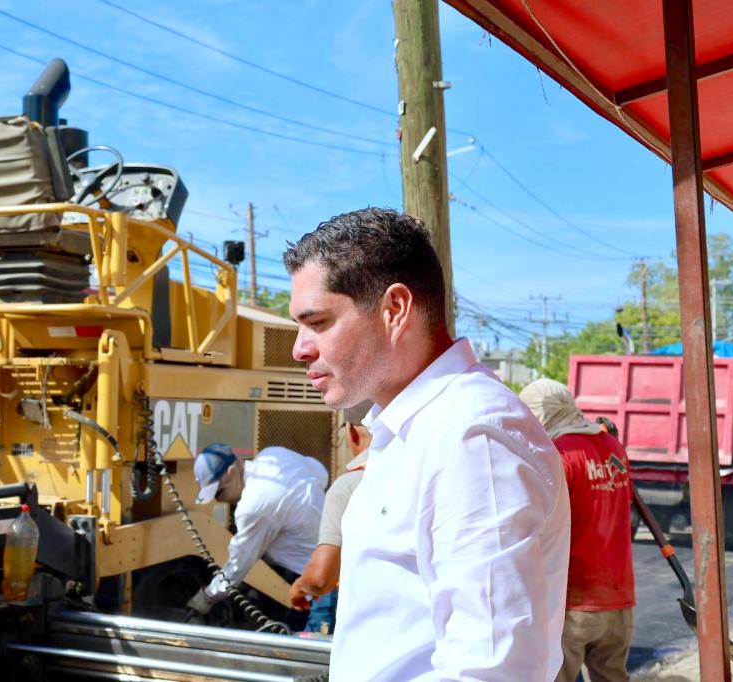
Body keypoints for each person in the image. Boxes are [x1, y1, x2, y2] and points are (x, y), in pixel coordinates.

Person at [283, 207, 571, 681]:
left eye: (318, 322)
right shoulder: (419, 429)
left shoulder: (470, 438)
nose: (300, 348)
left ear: (395, 310)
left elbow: (491, 671)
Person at [520, 379, 635, 682]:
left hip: (572, 602)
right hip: (618, 598)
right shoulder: (614, 447)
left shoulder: (558, 455)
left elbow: (537, 526)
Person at [185, 443, 328, 628]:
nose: (219, 500)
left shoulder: (253, 505)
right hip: (330, 566)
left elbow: (239, 564)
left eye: (219, 493)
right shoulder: (275, 454)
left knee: (308, 642)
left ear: (231, 472)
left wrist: (208, 596)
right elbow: (321, 474)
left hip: (322, 585)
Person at [289, 422, 371, 634]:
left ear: (353, 434)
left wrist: (300, 586)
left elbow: (320, 579)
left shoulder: (347, 487)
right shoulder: (419, 474)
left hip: (361, 619)